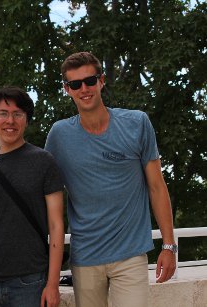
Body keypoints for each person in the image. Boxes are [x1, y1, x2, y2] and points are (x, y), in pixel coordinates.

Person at [44, 51, 177, 307]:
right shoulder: (59, 135)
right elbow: (36, 181)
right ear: (67, 89)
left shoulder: (137, 123)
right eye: (75, 84)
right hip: (85, 257)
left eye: (90, 81)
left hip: (130, 255)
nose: (84, 88)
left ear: (101, 81)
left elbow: (157, 187)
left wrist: (169, 246)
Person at [0, 86, 64, 307]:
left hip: (29, 280)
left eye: (17, 114)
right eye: (3, 113)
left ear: (26, 120)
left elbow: (57, 225)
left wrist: (53, 284)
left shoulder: (44, 161)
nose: (10, 120)